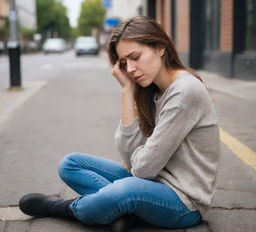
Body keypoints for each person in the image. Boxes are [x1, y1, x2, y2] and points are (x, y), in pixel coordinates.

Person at [19, 16, 220, 230]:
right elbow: (130, 158)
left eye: (135, 57)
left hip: (184, 203)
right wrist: (127, 91)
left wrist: (138, 162)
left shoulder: (184, 91)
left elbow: (142, 169)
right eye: (124, 63)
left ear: (160, 48)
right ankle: (125, 211)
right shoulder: (152, 90)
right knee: (70, 164)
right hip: (149, 184)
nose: (131, 69)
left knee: (126, 189)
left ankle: (66, 208)